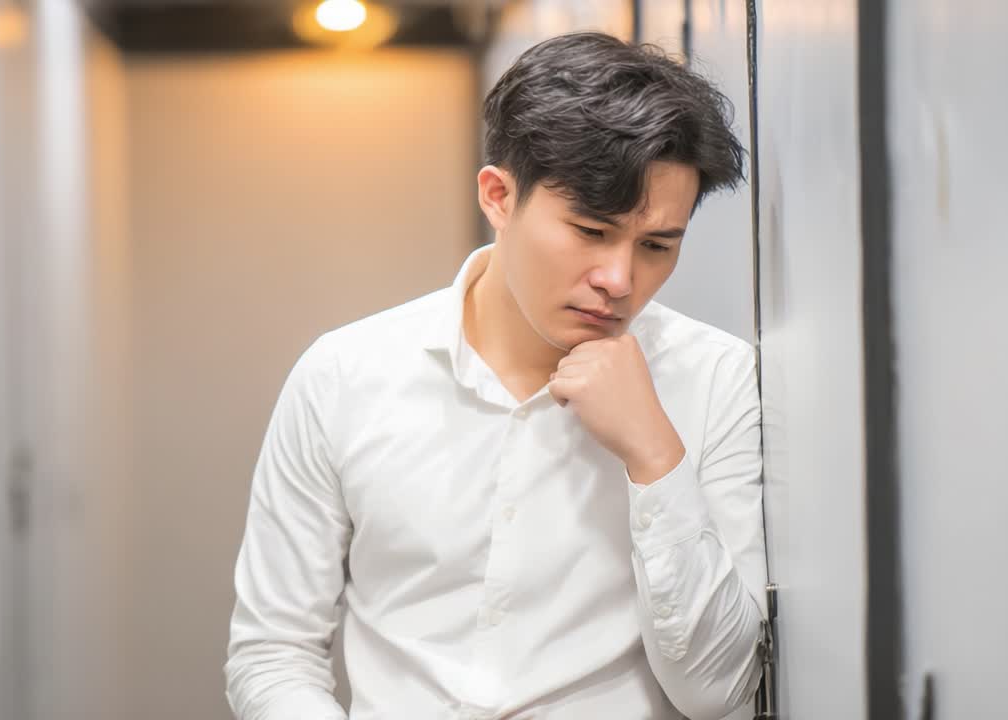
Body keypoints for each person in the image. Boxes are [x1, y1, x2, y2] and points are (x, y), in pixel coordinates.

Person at [224, 31, 767, 720]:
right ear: (498, 196)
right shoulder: (343, 377)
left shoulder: (717, 381)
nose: (620, 281)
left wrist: (654, 457)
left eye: (657, 246)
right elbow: (273, 652)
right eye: (591, 231)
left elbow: (720, 692)